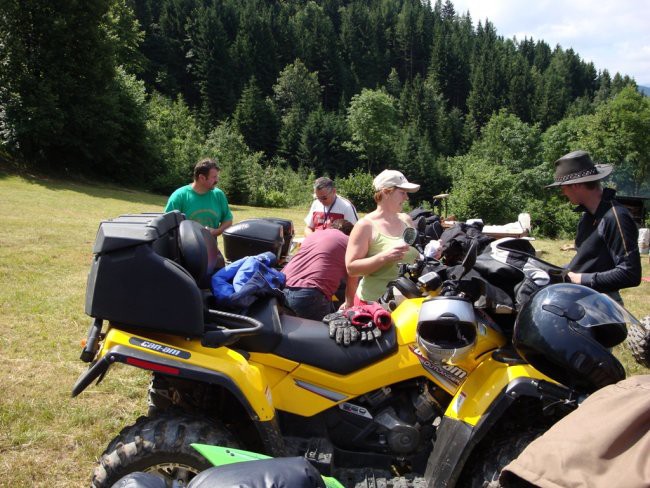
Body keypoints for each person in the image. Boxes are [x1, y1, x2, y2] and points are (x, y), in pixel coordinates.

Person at [546, 150, 641, 303]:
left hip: (602, 307)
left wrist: (580, 278)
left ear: (576, 185)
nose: (562, 192)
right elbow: (588, 263)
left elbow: (630, 273)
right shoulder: (587, 218)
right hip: (582, 300)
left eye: (563, 186)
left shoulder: (615, 216)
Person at [346, 169, 420, 304]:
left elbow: (415, 256)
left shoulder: (406, 220)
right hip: (374, 304)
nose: (406, 198)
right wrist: (384, 257)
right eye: (402, 193)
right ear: (386, 192)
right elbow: (352, 269)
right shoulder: (365, 225)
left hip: (407, 303)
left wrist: (428, 255)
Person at [282, 219, 358, 321]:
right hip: (309, 294)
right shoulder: (349, 242)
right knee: (325, 333)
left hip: (282, 287)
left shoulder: (313, 235)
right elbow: (353, 278)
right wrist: (349, 304)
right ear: (350, 234)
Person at [164, 158, 233, 238]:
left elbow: (227, 220)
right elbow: (167, 226)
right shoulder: (179, 196)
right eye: (214, 177)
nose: (217, 180)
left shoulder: (218, 195)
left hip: (211, 249)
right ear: (202, 178)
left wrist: (215, 232)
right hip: (184, 250)